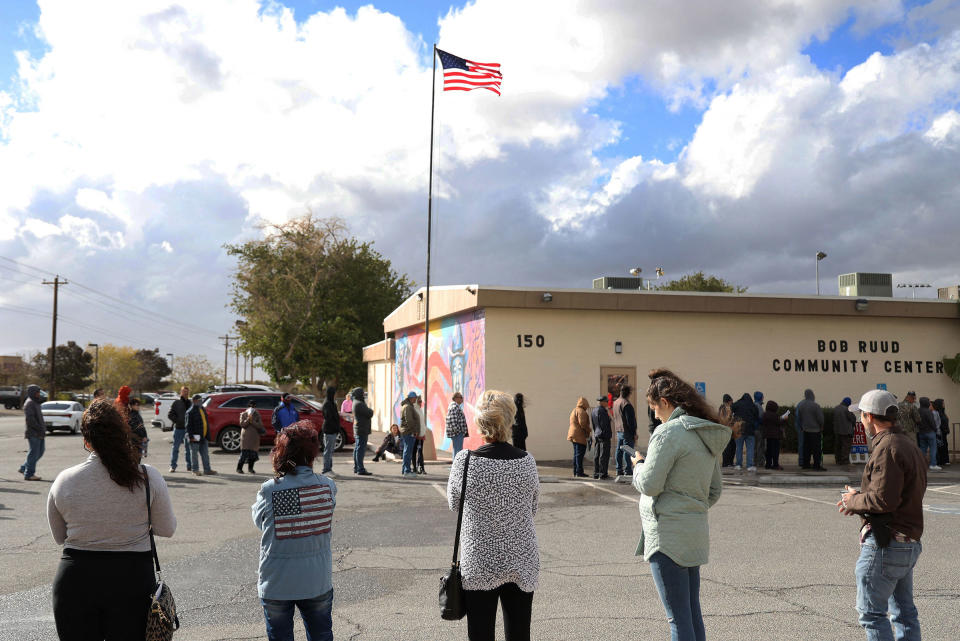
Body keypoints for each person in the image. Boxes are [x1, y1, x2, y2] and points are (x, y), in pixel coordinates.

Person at [47, 399, 177, 638]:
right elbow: (167, 528)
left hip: (76, 579)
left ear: (86, 441)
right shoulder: (148, 477)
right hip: (132, 579)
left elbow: (59, 537)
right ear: (123, 435)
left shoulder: (64, 480)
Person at [632, 369, 730, 641]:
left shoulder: (668, 433)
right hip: (693, 533)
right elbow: (714, 490)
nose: (654, 415)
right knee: (691, 615)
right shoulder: (701, 431)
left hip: (667, 536)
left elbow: (650, 484)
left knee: (678, 620)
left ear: (665, 402)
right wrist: (691, 507)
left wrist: (638, 467)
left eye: (653, 408)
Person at [447, 389, 540, 641]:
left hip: (479, 559)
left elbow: (455, 505)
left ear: (479, 422)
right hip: (521, 556)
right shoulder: (527, 461)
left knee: (480, 634)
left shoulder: (464, 461)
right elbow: (532, 508)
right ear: (510, 420)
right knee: (519, 634)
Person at [838, 390, 928, 641]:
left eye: (861, 416)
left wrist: (853, 500)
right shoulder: (907, 444)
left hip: (886, 543)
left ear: (869, 416)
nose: (861, 421)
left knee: (872, 614)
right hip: (907, 541)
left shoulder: (887, 447)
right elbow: (900, 492)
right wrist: (860, 498)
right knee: (904, 613)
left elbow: (883, 500)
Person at [253, 422, 336, 641]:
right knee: (321, 635)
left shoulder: (271, 489)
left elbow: (260, 522)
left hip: (277, 581)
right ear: (313, 453)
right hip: (317, 579)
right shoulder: (328, 486)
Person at [186, 393, 217, 476]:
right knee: (194, 455)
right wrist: (191, 437)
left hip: (203, 436)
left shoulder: (202, 409)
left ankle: (207, 470)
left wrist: (207, 436)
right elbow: (188, 426)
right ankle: (195, 470)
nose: (201, 402)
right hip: (195, 437)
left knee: (205, 454)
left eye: (201, 400)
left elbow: (205, 422)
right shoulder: (190, 412)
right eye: (199, 400)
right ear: (194, 401)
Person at [19, 384, 46, 481]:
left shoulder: (35, 402)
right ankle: (29, 474)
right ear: (33, 393)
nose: (39, 394)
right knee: (33, 453)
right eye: (37, 392)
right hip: (34, 433)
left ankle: (23, 468)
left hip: (39, 432)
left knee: (40, 452)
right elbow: (30, 420)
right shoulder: (29, 403)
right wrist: (39, 429)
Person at [613, 385, 638, 480]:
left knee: (619, 450)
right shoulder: (626, 404)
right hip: (627, 431)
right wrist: (634, 432)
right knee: (628, 450)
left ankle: (618, 469)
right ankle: (628, 470)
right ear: (629, 393)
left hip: (619, 430)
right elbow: (630, 421)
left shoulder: (615, 403)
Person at [797, 388, 826, 470]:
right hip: (815, 431)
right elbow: (820, 418)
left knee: (806, 449)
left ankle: (806, 464)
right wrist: (821, 426)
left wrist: (802, 426)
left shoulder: (801, 405)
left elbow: (799, 418)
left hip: (805, 430)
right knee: (816, 449)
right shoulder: (815, 406)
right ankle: (817, 465)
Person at [168, 385, 193, 473]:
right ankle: (173, 466)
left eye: (187, 392)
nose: (185, 393)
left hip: (188, 429)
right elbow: (170, 414)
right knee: (175, 448)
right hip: (179, 429)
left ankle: (189, 466)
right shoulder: (176, 403)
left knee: (188, 449)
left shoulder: (190, 403)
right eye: (184, 392)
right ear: (180, 392)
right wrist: (178, 421)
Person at [732, 393, 759, 472]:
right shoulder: (753, 405)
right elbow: (757, 417)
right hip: (750, 430)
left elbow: (731, 409)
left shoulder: (737, 404)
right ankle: (749, 465)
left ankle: (738, 465)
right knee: (750, 448)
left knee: (739, 448)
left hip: (739, 429)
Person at [239, 399, 267, 474]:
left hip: (254, 438)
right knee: (244, 454)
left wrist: (253, 421)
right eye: (250, 406)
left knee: (253, 454)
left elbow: (260, 426)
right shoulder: (243, 414)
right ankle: (239, 468)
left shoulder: (257, 414)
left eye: (253, 406)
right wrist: (248, 418)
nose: (252, 407)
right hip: (246, 438)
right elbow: (242, 425)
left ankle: (250, 469)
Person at [351, 388, 373, 476]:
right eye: (363, 393)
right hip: (361, 429)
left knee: (357, 448)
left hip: (359, 429)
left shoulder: (356, 402)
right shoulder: (360, 404)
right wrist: (370, 410)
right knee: (360, 450)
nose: (364, 395)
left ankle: (357, 467)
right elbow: (369, 413)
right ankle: (360, 468)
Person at [567, 397, 590, 478]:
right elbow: (583, 424)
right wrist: (589, 430)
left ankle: (575, 471)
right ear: (584, 404)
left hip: (572, 434)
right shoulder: (581, 411)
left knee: (576, 454)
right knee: (580, 454)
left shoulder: (574, 410)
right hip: (579, 435)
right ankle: (579, 472)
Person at [399, 392, 420, 478]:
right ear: (411, 398)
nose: (416, 399)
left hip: (407, 431)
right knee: (408, 452)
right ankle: (407, 471)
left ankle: (405, 469)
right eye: (415, 397)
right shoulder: (408, 407)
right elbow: (410, 421)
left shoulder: (408, 406)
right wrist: (414, 431)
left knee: (407, 451)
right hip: (409, 432)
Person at [320, 386, 340, 475]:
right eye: (333, 393)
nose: (335, 395)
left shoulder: (331, 403)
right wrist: (335, 425)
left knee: (330, 450)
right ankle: (326, 469)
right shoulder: (327, 404)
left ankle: (329, 468)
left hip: (332, 430)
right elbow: (329, 417)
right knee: (328, 450)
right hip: (329, 430)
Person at [917, 397, 941, 471]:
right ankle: (933, 464)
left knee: (922, 449)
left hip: (921, 432)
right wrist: (935, 429)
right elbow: (932, 422)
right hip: (930, 432)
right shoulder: (928, 411)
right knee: (933, 449)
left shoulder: (918, 411)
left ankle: (921, 464)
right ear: (926, 403)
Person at [761, 400, 786, 470]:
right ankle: (775, 464)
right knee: (775, 451)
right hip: (775, 435)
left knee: (768, 450)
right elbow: (779, 423)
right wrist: (784, 419)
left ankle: (768, 464)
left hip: (767, 435)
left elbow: (762, 422)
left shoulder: (764, 414)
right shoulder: (775, 415)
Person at [591, 396, 612, 479]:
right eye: (606, 402)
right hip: (604, 436)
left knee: (597, 455)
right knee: (604, 455)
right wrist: (608, 434)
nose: (607, 403)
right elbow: (604, 425)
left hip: (597, 434)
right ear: (602, 402)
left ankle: (596, 473)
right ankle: (603, 473)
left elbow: (593, 424)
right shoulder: (602, 411)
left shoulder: (594, 411)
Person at [833, 397, 856, 465]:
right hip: (846, 431)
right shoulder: (847, 409)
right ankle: (845, 461)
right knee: (846, 447)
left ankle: (838, 460)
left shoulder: (836, 408)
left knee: (838, 446)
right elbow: (852, 418)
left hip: (837, 431)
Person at [445, 392, 469, 457]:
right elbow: (453, 420)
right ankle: (457, 466)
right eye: (461, 397)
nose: (462, 399)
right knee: (458, 451)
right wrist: (457, 431)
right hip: (457, 433)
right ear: (456, 398)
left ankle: (456, 465)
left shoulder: (455, 406)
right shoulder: (454, 407)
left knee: (457, 450)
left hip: (457, 433)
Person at [718, 394, 735, 468]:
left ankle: (728, 462)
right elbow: (728, 419)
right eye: (731, 401)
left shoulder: (721, 408)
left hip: (724, 429)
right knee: (729, 447)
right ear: (729, 401)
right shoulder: (726, 408)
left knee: (730, 446)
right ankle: (727, 463)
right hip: (727, 429)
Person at [933, 399, 950, 467]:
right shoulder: (937, 413)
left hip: (944, 432)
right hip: (940, 432)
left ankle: (945, 460)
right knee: (941, 446)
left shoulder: (942, 412)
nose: (944, 404)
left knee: (944, 445)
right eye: (943, 403)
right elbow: (938, 423)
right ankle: (941, 460)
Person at [414, 395, 427, 474]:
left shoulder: (420, 410)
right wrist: (417, 433)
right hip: (416, 434)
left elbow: (422, 423)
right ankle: (416, 467)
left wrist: (423, 431)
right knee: (415, 451)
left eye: (421, 401)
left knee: (420, 451)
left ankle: (421, 467)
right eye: (419, 401)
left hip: (422, 434)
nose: (421, 403)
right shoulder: (415, 409)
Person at [753, 391, 765, 470]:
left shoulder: (752, 405)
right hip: (758, 429)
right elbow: (761, 418)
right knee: (759, 446)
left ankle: (754, 461)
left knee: (754, 446)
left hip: (752, 429)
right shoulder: (759, 407)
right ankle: (759, 462)